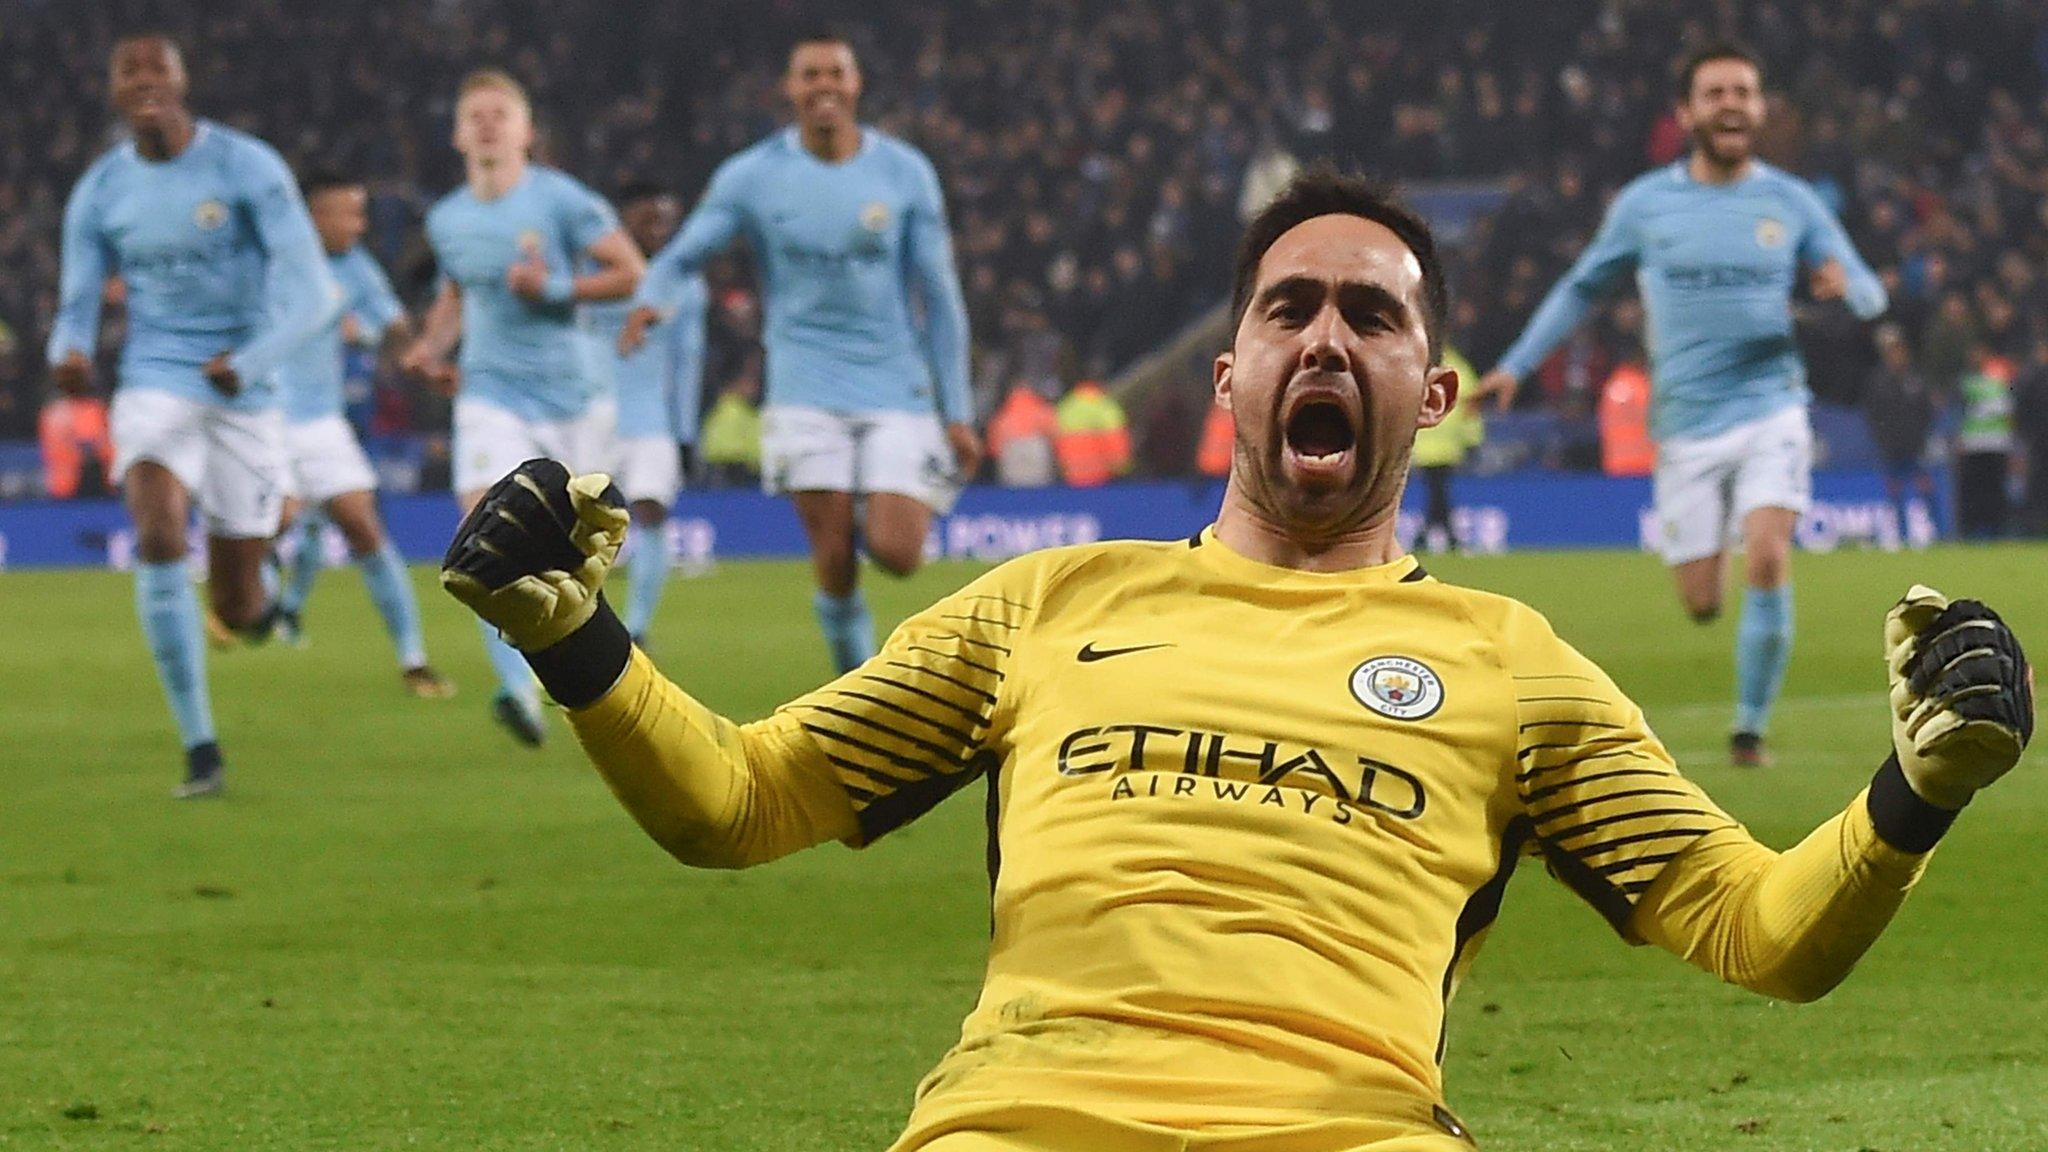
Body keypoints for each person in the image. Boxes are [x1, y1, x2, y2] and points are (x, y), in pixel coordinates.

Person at [441, 170, 2032, 1152]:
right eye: (1290, 309)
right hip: (1016, 1128)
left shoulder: (1510, 664)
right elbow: (737, 799)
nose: (1327, 337)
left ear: (1436, 391)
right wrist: (576, 639)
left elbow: (1760, 931)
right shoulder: (1042, 602)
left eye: (1371, 316)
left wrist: (1913, 793)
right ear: (1230, 371)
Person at [1475, 43, 1888, 768]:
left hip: (1773, 406)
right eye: (1716, 92)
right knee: (1701, 602)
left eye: (1744, 91)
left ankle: (1748, 730)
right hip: (1686, 425)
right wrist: (1515, 366)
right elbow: (1581, 287)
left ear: (1759, 110)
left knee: (1767, 554)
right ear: (1687, 112)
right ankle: (1723, 559)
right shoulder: (1645, 205)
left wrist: (1843, 290)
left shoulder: (1791, 201)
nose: (1731, 103)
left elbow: (1868, 289)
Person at [620, 29, 979, 674]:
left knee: (897, 553)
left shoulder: (903, 174)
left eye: (835, 74)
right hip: (802, 385)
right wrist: (651, 297)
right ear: (789, 89)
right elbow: (685, 253)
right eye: (809, 76)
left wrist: (958, 410)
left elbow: (941, 298)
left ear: (856, 84)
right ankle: (858, 688)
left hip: (896, 386)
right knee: (832, 548)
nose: (824, 88)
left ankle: (878, 495)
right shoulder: (752, 177)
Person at [48, 35, 341, 797]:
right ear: (114, 92)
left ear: (183, 82)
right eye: (127, 71)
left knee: (239, 610)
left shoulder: (248, 168)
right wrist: (69, 350)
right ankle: (201, 747)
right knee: (157, 532)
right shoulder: (101, 190)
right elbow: (77, 303)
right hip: (156, 379)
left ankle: (259, 588)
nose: (143, 81)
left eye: (157, 69)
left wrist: (251, 362)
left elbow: (316, 297)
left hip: (247, 391)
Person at [401, 68, 644, 746]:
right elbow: (458, 295)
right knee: (484, 533)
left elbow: (630, 270)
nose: (486, 123)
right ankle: (518, 694)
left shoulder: (563, 200)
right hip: (490, 392)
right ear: (456, 132)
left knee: (576, 562)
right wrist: (429, 347)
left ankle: (597, 686)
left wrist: (555, 287)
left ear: (526, 131)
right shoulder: (447, 219)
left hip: (574, 395)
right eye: (473, 114)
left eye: (499, 113)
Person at [271, 170, 453, 697]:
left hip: (322, 422)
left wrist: (418, 360)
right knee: (276, 524)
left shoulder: (355, 268)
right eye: (347, 213)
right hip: (264, 421)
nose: (359, 224)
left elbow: (393, 326)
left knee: (365, 530)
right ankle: (259, 603)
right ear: (313, 216)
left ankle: (413, 659)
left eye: (361, 212)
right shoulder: (272, 262)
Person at [584, 182, 707, 645]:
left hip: (651, 417)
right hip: (590, 413)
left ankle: (637, 627)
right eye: (649, 218)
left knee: (652, 509)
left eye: (667, 220)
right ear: (625, 220)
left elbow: (688, 360)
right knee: (584, 520)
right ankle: (585, 620)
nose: (660, 229)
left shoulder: (685, 283)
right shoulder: (593, 274)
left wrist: (686, 431)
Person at [1861, 323, 1943, 546]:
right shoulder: (1878, 382)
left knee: (1927, 490)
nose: (1897, 355)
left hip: (1916, 446)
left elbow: (1927, 411)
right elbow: (1873, 414)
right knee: (1896, 495)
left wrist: (1922, 436)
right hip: (1892, 449)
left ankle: (1941, 536)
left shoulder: (1915, 379)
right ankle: (1902, 538)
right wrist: (1883, 440)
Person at [1408, 345, 1482, 552]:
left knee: (1437, 492)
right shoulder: (1460, 369)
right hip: (1447, 445)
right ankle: (1446, 537)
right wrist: (1472, 439)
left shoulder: (1418, 366)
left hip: (1425, 443)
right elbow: (1471, 407)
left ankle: (1428, 537)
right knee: (1438, 492)